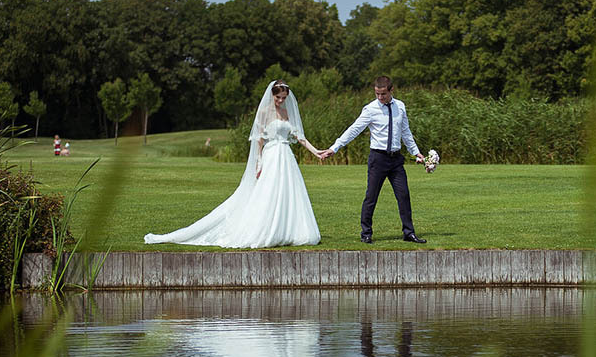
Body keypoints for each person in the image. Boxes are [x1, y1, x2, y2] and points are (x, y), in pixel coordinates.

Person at [145, 80, 322, 248]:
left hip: (286, 157)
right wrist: (258, 163)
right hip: (271, 156)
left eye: (284, 98)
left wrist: (316, 152)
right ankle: (266, 229)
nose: (281, 101)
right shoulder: (264, 112)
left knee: (288, 192)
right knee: (268, 192)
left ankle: (288, 230)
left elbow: (300, 137)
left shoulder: (286, 113)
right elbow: (258, 141)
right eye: (278, 97)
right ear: (272, 95)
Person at [320, 76, 426, 244]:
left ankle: (408, 232)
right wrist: (335, 147)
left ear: (392, 91)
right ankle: (366, 233)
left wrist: (416, 153)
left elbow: (406, 132)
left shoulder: (401, 107)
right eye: (377, 94)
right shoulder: (370, 109)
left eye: (383, 94)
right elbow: (354, 129)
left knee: (404, 195)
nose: (380, 97)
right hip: (378, 159)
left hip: (396, 159)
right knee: (371, 197)